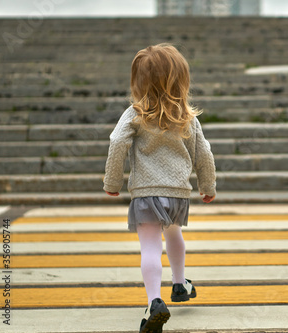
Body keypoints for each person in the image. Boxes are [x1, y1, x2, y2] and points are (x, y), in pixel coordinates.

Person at [103, 43, 217, 333]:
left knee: (150, 247)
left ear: (138, 82)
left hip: (146, 193)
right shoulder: (187, 117)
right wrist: (207, 186)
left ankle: (154, 301)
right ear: (181, 79)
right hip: (178, 194)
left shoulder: (134, 113)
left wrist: (113, 182)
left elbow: (117, 142)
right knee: (174, 233)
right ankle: (179, 283)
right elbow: (203, 153)